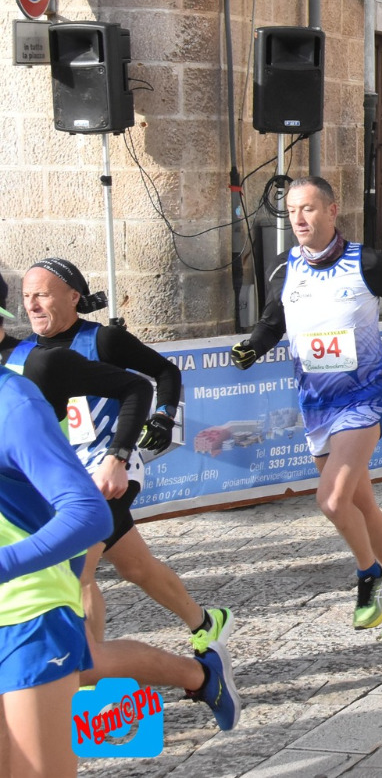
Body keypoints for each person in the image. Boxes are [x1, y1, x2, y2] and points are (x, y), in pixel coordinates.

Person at [5, 271, 242, 736]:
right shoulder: (23, 357)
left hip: (111, 472)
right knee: (135, 566)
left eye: (43, 296)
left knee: (84, 574)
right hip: (67, 476)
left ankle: (86, 691)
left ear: (72, 296)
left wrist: (137, 438)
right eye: (27, 296)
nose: (33, 305)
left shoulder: (102, 341)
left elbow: (158, 376)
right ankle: (206, 622)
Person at [231, 175, 382, 642]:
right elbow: (271, 323)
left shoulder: (367, 261)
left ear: (331, 210)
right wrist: (252, 348)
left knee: (332, 500)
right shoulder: (285, 267)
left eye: (308, 209)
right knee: (361, 504)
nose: (299, 218)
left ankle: (369, 576)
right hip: (315, 401)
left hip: (363, 396)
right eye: (292, 210)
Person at [0, 365, 115, 778]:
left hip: (29, 615)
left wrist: (4, 564)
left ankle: (201, 671)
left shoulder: (15, 404)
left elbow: (90, 515)